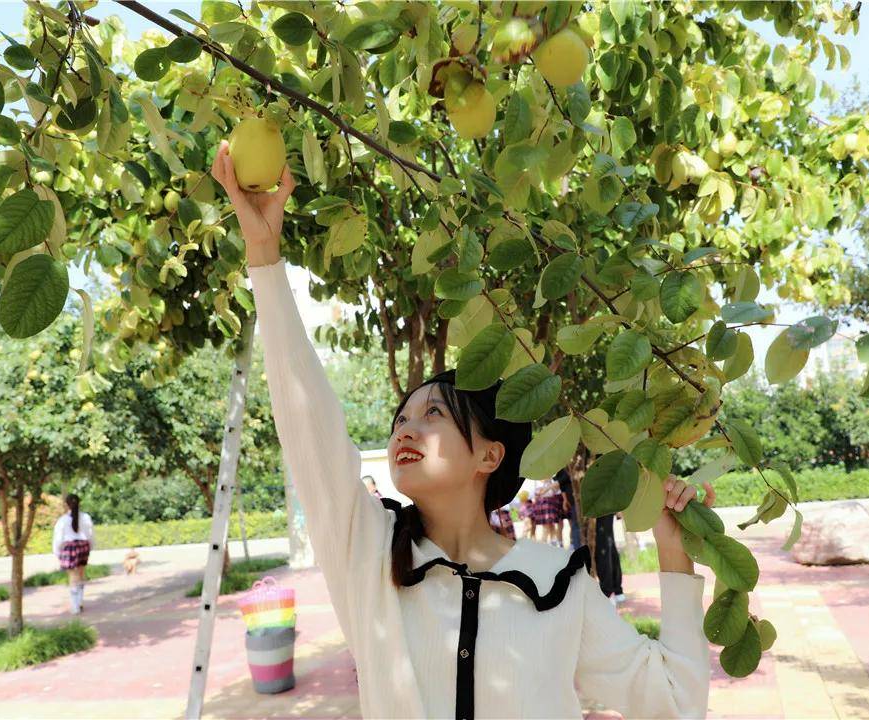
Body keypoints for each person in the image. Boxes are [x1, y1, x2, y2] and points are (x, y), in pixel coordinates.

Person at [212, 143, 713, 719]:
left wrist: (674, 552)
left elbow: (674, 704)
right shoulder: (370, 555)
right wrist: (264, 256)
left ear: (489, 455)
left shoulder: (558, 580)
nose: (407, 427)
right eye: (403, 417)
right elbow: (310, 425)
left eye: (434, 415)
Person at [52, 494, 94, 614]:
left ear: (66, 505)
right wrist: (90, 547)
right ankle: (80, 601)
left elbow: (58, 539)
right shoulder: (86, 517)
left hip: (69, 547)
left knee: (73, 576)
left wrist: (57, 552)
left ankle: (75, 606)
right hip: (83, 546)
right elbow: (90, 534)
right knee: (81, 573)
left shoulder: (63, 520)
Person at [595, 513, 625, 603]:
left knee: (603, 547)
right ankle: (616, 590)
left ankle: (607, 592)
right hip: (605, 505)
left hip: (598, 506)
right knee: (608, 544)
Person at [555, 467, 581, 548]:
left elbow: (560, 482)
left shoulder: (569, 468)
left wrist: (544, 490)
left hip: (578, 499)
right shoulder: (561, 470)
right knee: (575, 524)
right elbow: (563, 486)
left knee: (575, 524)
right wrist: (565, 500)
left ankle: (575, 544)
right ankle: (575, 546)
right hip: (572, 502)